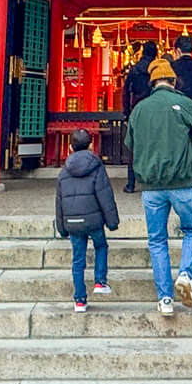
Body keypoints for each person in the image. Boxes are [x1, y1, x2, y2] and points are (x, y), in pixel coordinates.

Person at [127, 57, 192, 316]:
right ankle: (185, 274)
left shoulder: (140, 109)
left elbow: (130, 143)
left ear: (152, 82)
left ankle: (165, 299)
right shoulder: (183, 103)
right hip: (183, 182)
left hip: (151, 186)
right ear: (173, 80)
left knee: (157, 240)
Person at [53, 127, 118, 313]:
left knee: (78, 260)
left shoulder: (64, 172)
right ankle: (99, 281)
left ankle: (79, 300)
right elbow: (105, 195)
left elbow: (59, 202)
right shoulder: (96, 166)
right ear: (91, 145)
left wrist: (62, 227)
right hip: (94, 219)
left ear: (70, 147)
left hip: (72, 222)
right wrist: (112, 221)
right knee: (101, 246)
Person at [120, 40, 158, 193]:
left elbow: (125, 92)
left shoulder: (134, 69)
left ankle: (131, 183)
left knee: (134, 148)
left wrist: (126, 112)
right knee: (155, 146)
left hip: (136, 110)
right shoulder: (156, 69)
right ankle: (153, 180)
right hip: (155, 110)